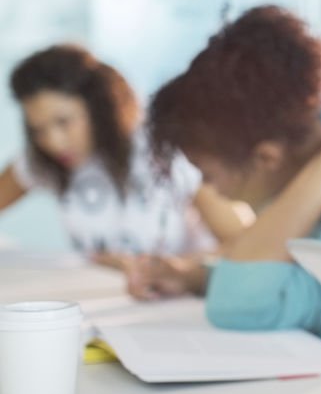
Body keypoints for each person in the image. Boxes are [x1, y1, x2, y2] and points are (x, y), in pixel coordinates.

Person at [146, 5, 321, 359]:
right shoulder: (295, 165)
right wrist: (198, 277)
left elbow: (241, 306)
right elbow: (289, 273)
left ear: (266, 158)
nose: (209, 189)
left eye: (208, 174)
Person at [0, 45, 246, 264]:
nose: (54, 142)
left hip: (182, 301)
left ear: (98, 108)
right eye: (38, 129)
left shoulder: (169, 148)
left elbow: (249, 245)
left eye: (64, 122)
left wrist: (171, 268)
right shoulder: (44, 161)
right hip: (105, 296)